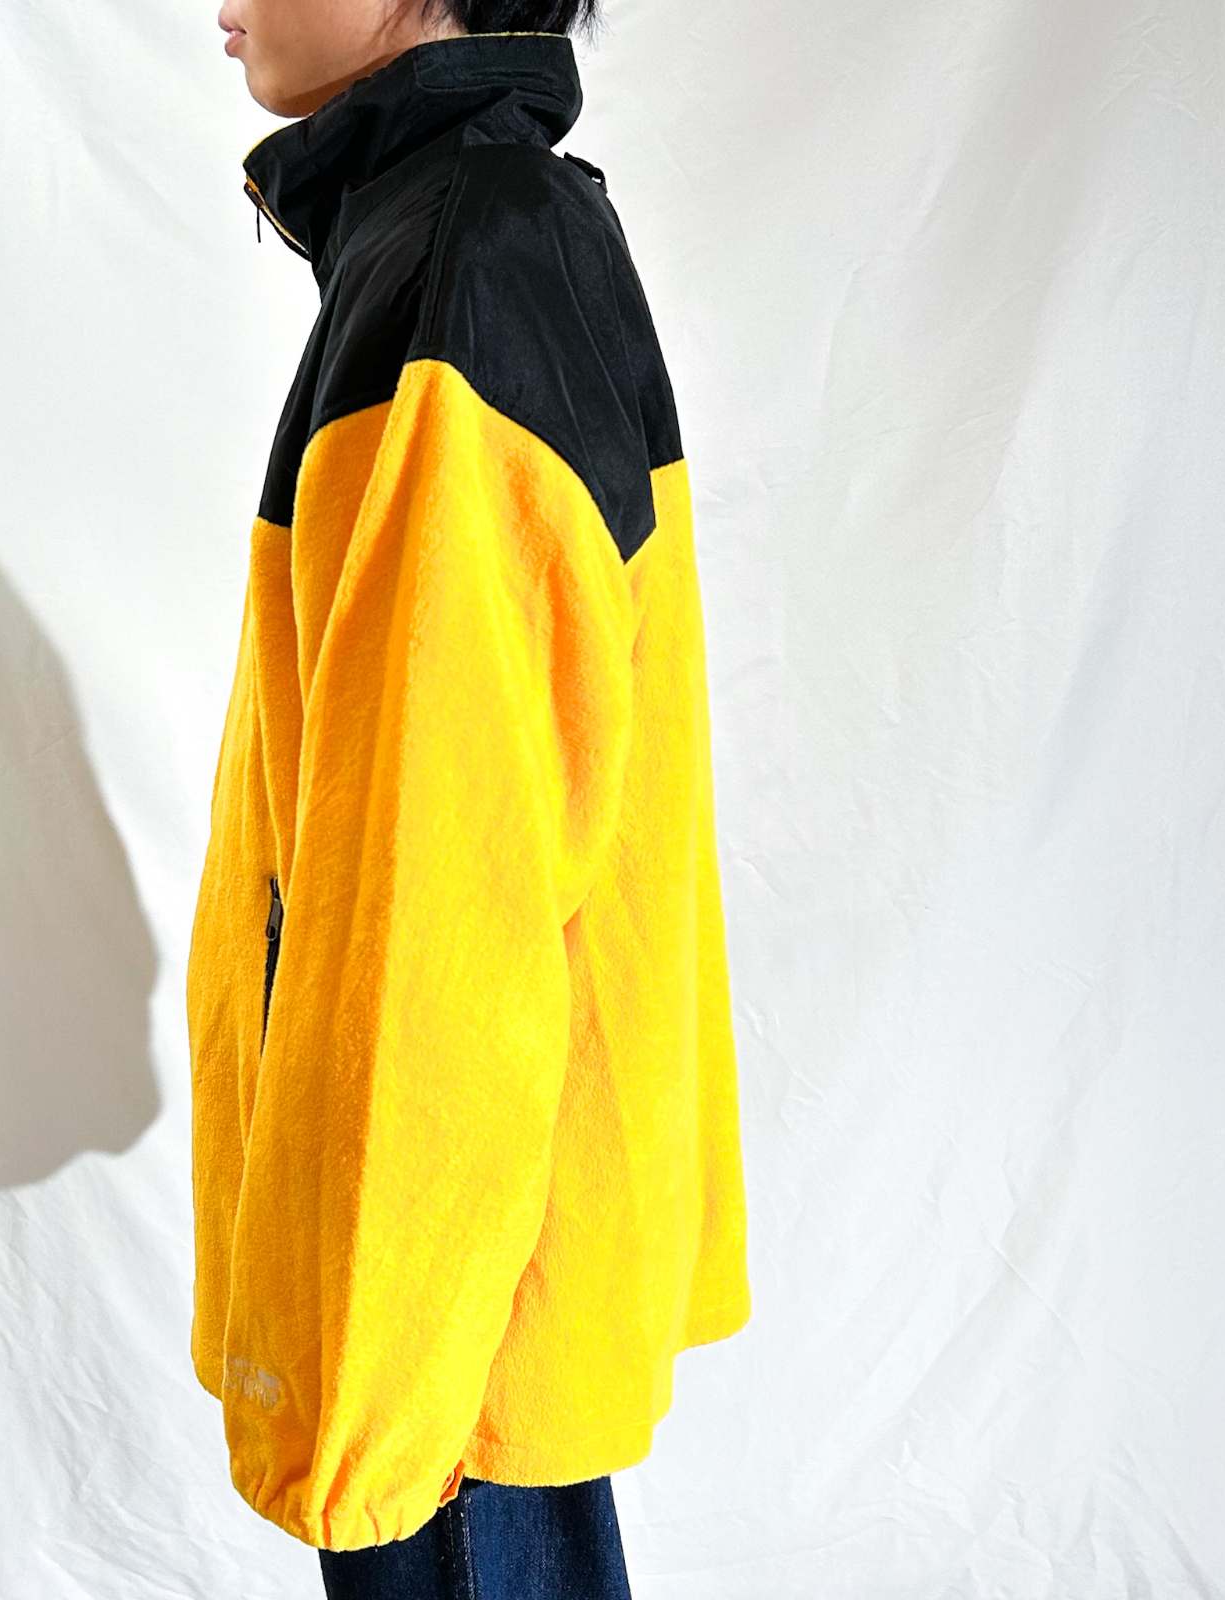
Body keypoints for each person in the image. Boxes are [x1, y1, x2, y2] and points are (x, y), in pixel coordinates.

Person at [189, 2, 752, 1594]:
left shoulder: (462, 263)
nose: (220, 7)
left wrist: (370, 1382)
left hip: (439, 1295)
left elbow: (443, 893)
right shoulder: (476, 233)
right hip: (472, 1259)